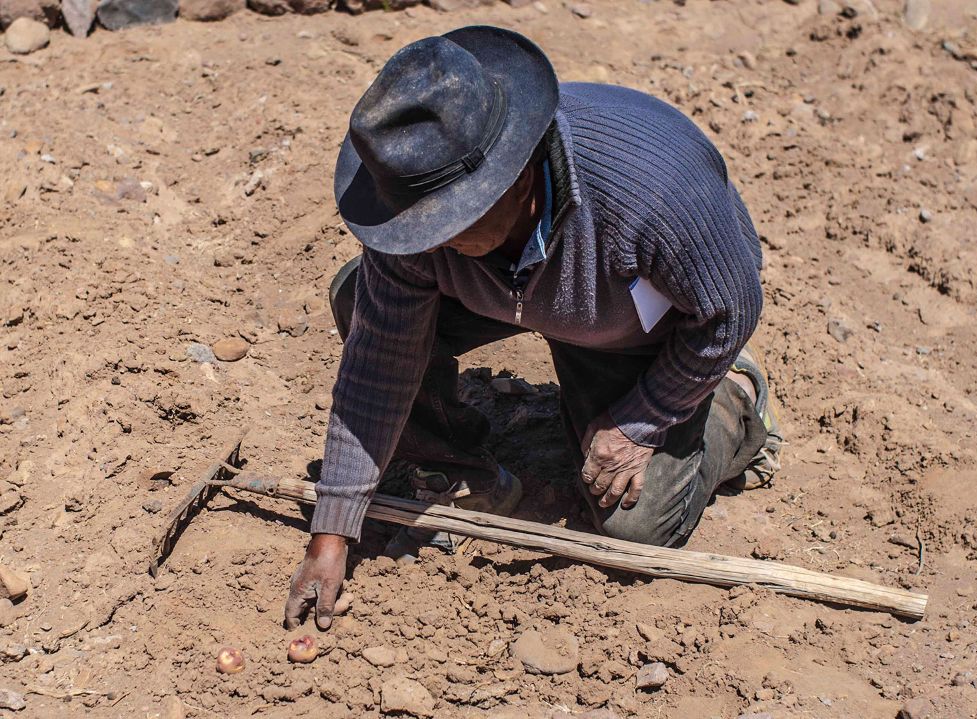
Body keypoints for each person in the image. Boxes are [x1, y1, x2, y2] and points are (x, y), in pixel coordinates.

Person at [284, 26, 782, 630]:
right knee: (358, 297)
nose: (426, 242)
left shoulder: (652, 189)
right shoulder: (414, 199)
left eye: (449, 222)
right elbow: (379, 359)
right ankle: (456, 468)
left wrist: (642, 418)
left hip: (636, 323)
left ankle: (730, 401)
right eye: (416, 226)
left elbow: (731, 308)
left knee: (638, 527)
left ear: (516, 176)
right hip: (521, 292)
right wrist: (332, 529)